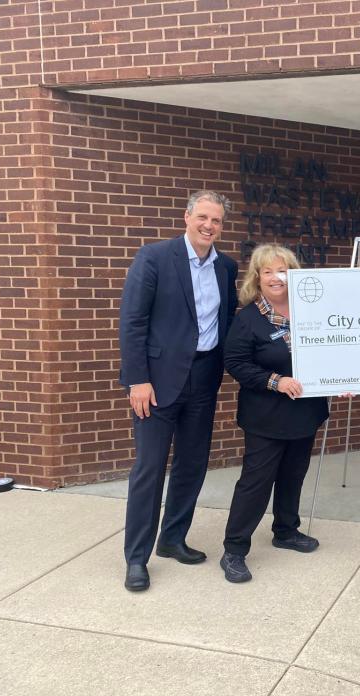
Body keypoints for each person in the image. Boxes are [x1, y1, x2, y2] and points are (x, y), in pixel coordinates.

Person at [118, 190, 239, 592]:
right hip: (156, 383)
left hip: (204, 379)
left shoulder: (226, 266)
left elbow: (225, 322)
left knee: (192, 464)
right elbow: (133, 321)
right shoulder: (154, 258)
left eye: (216, 220)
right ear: (187, 217)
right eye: (203, 216)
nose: (209, 225)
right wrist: (137, 379)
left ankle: (172, 539)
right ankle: (137, 558)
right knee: (149, 470)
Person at [219, 244, 330, 584]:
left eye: (282, 270)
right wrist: (275, 381)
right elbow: (235, 363)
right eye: (268, 271)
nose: (275, 277)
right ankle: (234, 550)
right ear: (257, 277)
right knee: (256, 482)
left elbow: (336, 349)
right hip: (266, 416)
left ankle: (286, 530)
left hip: (306, 413)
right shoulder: (248, 318)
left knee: (294, 475)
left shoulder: (313, 311)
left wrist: (346, 376)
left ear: (293, 275)